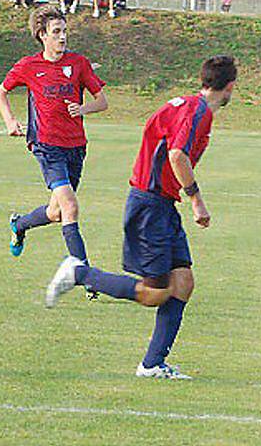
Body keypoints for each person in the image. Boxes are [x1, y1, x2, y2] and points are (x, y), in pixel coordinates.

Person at [44, 56, 238, 380]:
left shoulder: (188, 105)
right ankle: (80, 273)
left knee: (183, 283)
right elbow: (177, 155)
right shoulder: (199, 112)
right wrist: (197, 201)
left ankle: (152, 364)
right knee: (155, 293)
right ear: (229, 86)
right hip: (151, 205)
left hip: (160, 203)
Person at [0, 5, 108, 269]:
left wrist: (83, 108)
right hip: (47, 146)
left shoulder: (78, 63)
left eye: (64, 31)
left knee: (56, 212)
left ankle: (19, 224)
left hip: (76, 147)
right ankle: (84, 274)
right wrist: (10, 121)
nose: (62, 37)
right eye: (56, 32)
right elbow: (0, 92)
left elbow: (102, 101)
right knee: (70, 207)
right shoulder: (29, 66)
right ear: (42, 35)